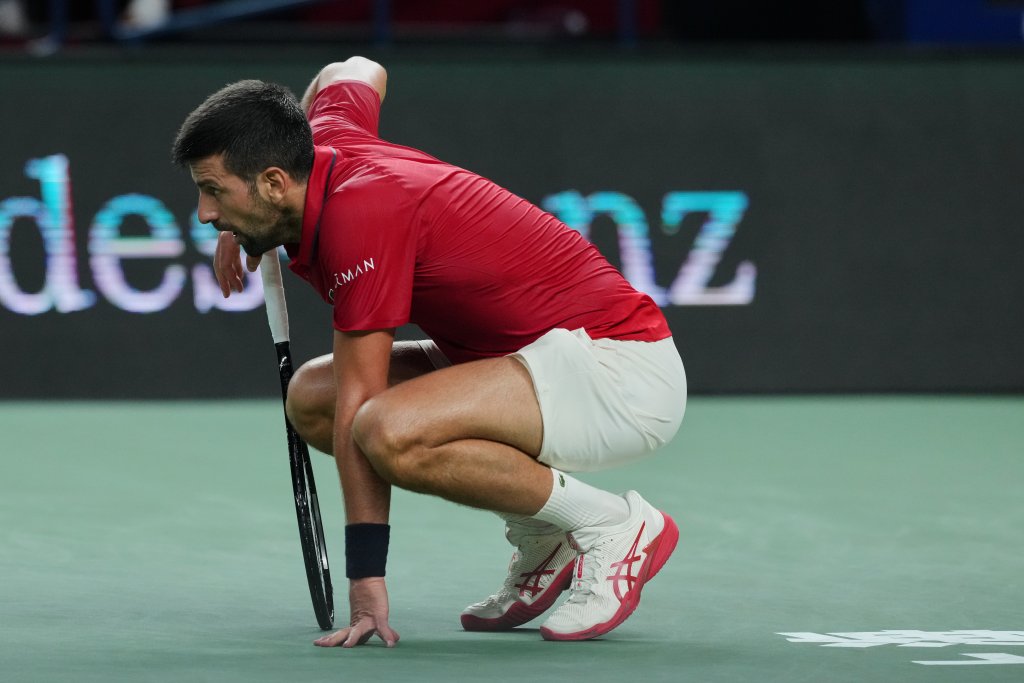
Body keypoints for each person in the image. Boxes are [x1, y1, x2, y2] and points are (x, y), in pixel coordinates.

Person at [172, 56, 687, 648]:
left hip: (618, 372)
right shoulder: (324, 137)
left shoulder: (360, 216)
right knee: (313, 397)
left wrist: (365, 577)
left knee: (384, 428)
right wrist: (247, 224)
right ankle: (545, 532)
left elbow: (362, 407)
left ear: (273, 182)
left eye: (214, 192)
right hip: (512, 360)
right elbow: (355, 68)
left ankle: (612, 525)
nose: (206, 214)